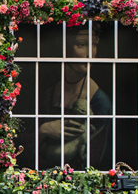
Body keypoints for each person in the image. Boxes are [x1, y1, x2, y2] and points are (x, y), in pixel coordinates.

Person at [38, 25, 111, 170]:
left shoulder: (101, 103)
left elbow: (95, 160)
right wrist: (43, 129)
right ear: (65, 47)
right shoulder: (49, 93)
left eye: (94, 45)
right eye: (82, 45)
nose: (90, 53)